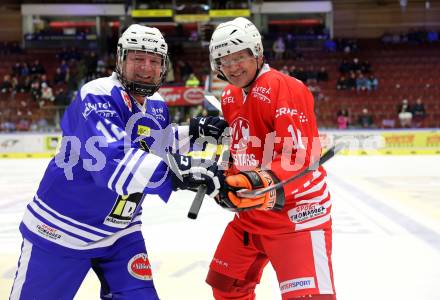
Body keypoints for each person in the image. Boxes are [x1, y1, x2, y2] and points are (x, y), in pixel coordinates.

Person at [9, 24, 227, 300]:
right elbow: (110, 160)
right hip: (61, 230)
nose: (146, 67)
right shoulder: (97, 94)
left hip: (120, 234)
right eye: (138, 59)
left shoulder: (156, 104)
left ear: (163, 67)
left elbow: (157, 144)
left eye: (154, 61)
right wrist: (178, 170)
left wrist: (197, 133)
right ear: (120, 59)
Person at [206, 17, 336, 300]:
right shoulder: (229, 95)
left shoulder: (285, 87)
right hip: (251, 217)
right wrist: (222, 181)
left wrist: (252, 181)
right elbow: (239, 148)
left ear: (257, 53)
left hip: (296, 216)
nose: (232, 67)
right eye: (224, 61)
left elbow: (297, 155)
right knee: (226, 285)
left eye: (239, 57)